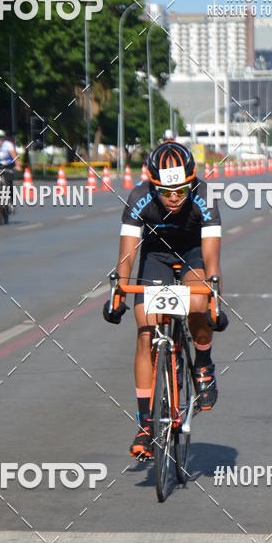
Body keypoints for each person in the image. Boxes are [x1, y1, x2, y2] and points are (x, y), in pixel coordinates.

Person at [103, 141, 227, 459]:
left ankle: (202, 362)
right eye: (166, 191)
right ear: (152, 184)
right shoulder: (138, 197)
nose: (173, 198)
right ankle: (146, 424)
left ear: (192, 181)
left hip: (192, 252)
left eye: (181, 191)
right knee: (145, 329)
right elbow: (127, 253)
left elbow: (212, 260)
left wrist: (215, 300)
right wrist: (118, 292)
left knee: (198, 303)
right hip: (155, 255)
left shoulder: (205, 197)